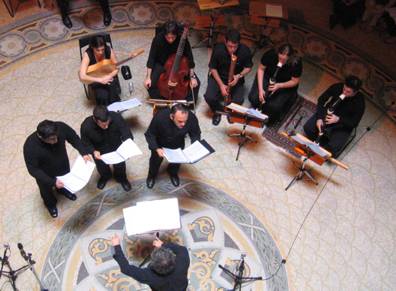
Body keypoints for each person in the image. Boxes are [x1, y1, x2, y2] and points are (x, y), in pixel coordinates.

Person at [23, 120, 91, 218]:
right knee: (46, 191)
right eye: (52, 139)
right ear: (41, 137)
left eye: (56, 137)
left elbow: (74, 138)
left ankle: (63, 190)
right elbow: (33, 169)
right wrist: (52, 181)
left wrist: (84, 153)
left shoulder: (60, 127)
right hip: (44, 173)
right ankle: (50, 205)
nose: (56, 141)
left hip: (62, 164)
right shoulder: (30, 146)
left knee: (65, 182)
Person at [303, 75, 365, 158]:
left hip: (342, 123)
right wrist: (319, 118)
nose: (344, 93)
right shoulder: (337, 87)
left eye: (348, 92)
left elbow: (354, 123)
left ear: (355, 92)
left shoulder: (360, 102)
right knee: (308, 128)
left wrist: (338, 119)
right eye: (344, 89)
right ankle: (321, 142)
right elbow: (321, 100)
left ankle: (324, 145)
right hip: (328, 113)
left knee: (333, 148)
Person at [144, 104, 201, 188]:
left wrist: (194, 148)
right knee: (155, 161)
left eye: (185, 121)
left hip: (178, 143)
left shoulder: (191, 117)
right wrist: (156, 148)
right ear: (171, 116)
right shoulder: (160, 117)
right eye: (180, 121)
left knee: (177, 162)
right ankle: (151, 176)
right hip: (160, 143)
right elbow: (150, 134)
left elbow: (195, 134)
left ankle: (173, 173)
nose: (183, 124)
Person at [204, 29, 253, 126]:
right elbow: (212, 68)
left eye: (235, 47)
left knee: (238, 100)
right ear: (225, 42)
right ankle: (218, 111)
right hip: (219, 77)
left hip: (235, 78)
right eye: (230, 46)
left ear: (239, 44)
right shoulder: (218, 49)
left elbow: (249, 67)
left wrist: (239, 76)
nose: (232, 50)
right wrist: (221, 85)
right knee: (209, 97)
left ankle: (230, 112)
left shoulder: (245, 51)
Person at [144, 21, 200, 103]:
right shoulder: (158, 39)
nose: (170, 40)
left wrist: (192, 77)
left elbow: (190, 58)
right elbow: (151, 58)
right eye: (168, 37)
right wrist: (148, 77)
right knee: (150, 84)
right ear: (164, 34)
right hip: (162, 63)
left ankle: (186, 103)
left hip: (180, 64)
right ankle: (161, 101)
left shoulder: (182, 38)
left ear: (176, 34)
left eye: (173, 37)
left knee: (196, 84)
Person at [80, 106, 132, 191]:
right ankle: (105, 177)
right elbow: (85, 143)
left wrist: (128, 144)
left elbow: (126, 130)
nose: (106, 127)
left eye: (108, 123)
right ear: (95, 120)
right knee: (102, 167)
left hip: (117, 147)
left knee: (120, 166)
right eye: (103, 125)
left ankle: (121, 178)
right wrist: (93, 151)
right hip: (99, 151)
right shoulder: (86, 126)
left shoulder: (116, 117)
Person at [111, 234, 190, 291]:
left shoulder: (149, 276)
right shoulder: (182, 261)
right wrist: (163, 244)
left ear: (152, 264)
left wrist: (116, 245)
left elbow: (126, 268)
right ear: (172, 257)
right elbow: (182, 249)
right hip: (181, 287)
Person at [248, 44, 303, 125]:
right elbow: (261, 69)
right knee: (253, 97)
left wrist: (279, 86)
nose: (281, 61)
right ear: (278, 53)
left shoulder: (296, 63)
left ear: (290, 57)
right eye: (280, 58)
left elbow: (295, 81)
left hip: (285, 83)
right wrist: (260, 89)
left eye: (284, 60)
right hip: (268, 76)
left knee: (272, 107)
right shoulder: (271, 54)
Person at [79, 35, 120, 106]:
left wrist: (108, 76)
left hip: (108, 75)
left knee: (112, 89)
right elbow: (82, 76)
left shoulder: (108, 50)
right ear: (92, 48)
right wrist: (100, 80)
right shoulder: (88, 54)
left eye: (102, 49)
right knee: (102, 95)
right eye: (97, 50)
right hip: (95, 78)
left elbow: (117, 68)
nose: (101, 52)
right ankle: (104, 113)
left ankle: (115, 110)